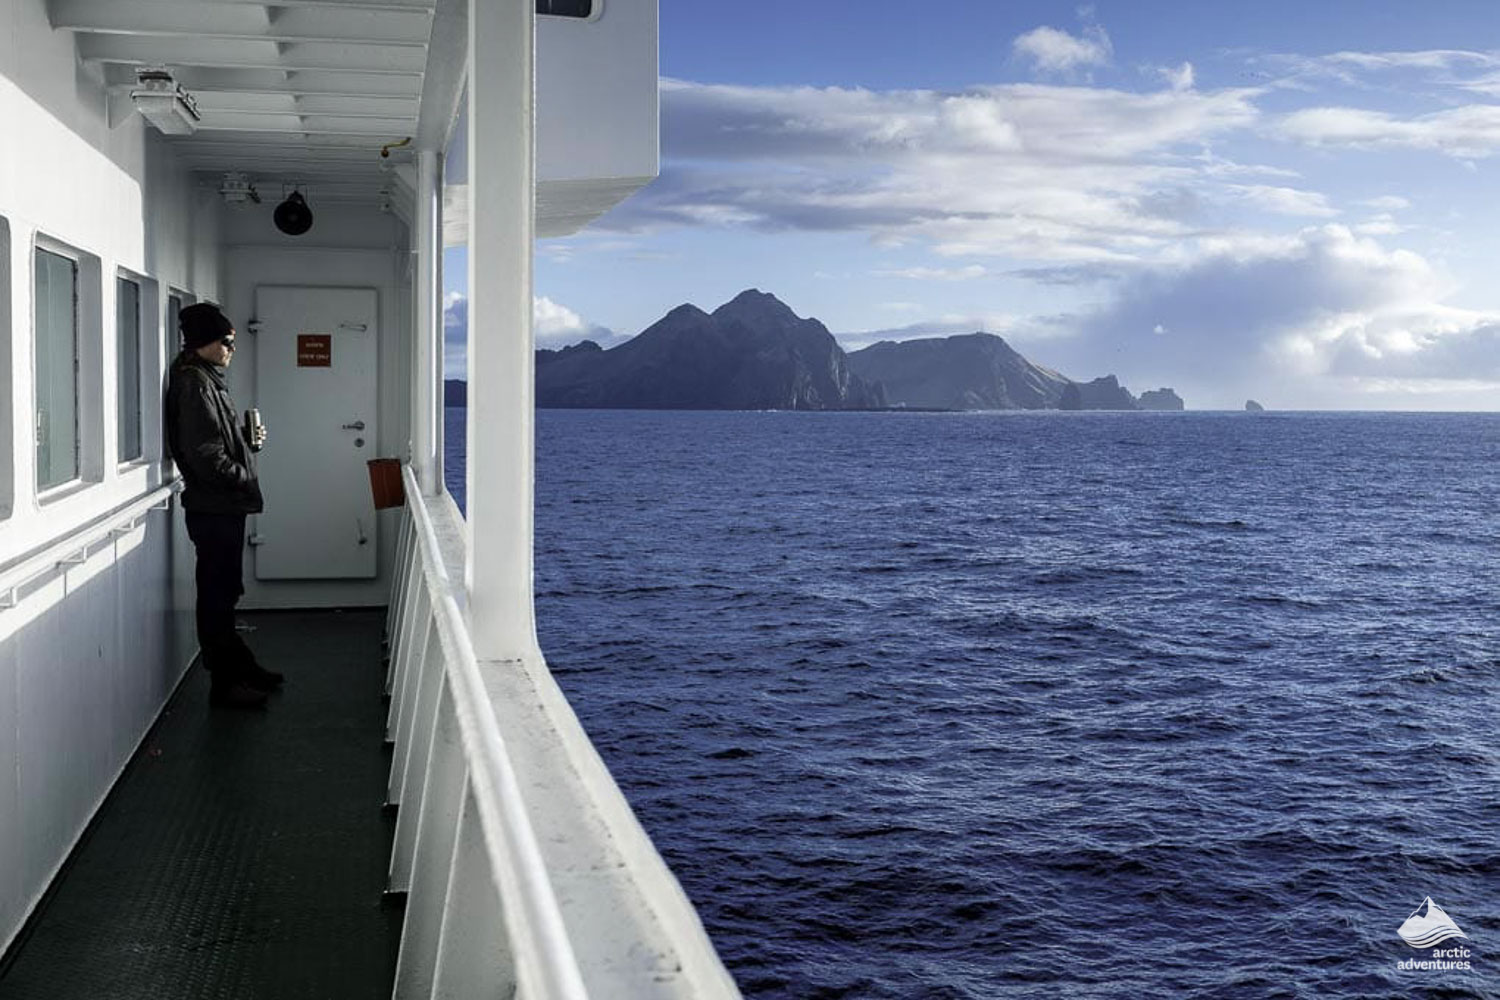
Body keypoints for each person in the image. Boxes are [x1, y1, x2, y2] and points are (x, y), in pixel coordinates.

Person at [165, 303, 282, 708]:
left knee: (225, 590)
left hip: (221, 505)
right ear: (204, 341)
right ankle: (225, 684)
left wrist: (246, 444)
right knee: (216, 594)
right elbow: (205, 454)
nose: (233, 348)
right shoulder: (195, 385)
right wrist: (242, 475)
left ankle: (240, 667)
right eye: (226, 341)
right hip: (214, 506)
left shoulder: (207, 379)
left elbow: (217, 440)